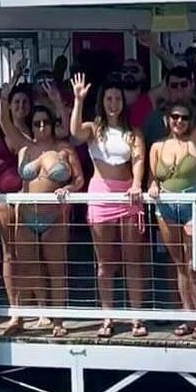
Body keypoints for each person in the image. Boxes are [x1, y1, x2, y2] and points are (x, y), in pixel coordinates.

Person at [148, 48, 196, 339]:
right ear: (167, 119)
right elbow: (153, 176)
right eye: (174, 117)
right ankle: (187, 316)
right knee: (178, 264)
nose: (179, 121)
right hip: (166, 207)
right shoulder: (157, 147)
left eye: (183, 118)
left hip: (193, 203)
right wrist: (152, 185)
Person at [69, 73, 147, 338]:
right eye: (109, 98)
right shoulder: (93, 128)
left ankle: (136, 317)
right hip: (100, 194)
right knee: (105, 262)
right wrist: (78, 100)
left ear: (124, 102)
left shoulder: (133, 132)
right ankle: (107, 317)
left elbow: (138, 160)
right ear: (102, 101)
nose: (113, 103)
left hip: (127, 195)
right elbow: (74, 133)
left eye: (117, 98)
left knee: (132, 259)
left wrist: (137, 184)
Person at [14, 98, 83, 337]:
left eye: (45, 123)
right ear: (30, 126)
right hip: (26, 215)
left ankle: (58, 321)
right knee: (26, 267)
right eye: (36, 123)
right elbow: (24, 184)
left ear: (53, 125)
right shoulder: (24, 150)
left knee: (56, 270)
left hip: (54, 216)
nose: (41, 127)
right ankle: (27, 316)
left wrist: (69, 190)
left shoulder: (65, 149)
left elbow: (79, 179)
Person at [0, 74, 34, 334]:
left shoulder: (37, 130)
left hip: (26, 196)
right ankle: (14, 307)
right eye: (16, 102)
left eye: (24, 102)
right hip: (1, 196)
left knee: (28, 251)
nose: (20, 106)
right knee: (9, 252)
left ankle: (33, 305)